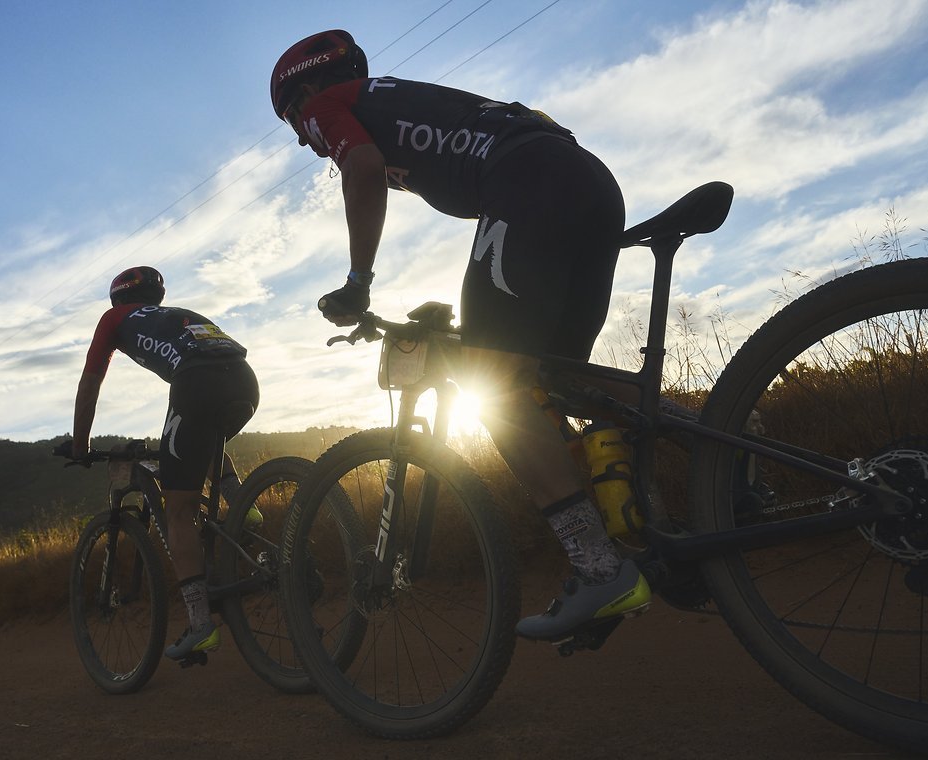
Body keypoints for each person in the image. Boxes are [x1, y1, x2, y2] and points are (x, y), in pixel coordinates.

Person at [270, 30, 650, 642]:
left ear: (306, 90)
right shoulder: (398, 99)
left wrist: (358, 281)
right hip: (584, 178)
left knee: (492, 384)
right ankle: (726, 453)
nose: (299, 136)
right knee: (555, 377)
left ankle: (600, 568)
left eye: (291, 116)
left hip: (527, 182)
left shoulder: (326, 105)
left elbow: (362, 171)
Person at [66, 266, 261, 660]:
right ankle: (243, 509)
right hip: (244, 378)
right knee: (204, 439)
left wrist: (80, 444)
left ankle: (201, 624)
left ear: (117, 299)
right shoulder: (176, 314)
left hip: (196, 382)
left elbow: (90, 382)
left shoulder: (113, 319)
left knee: (178, 512)